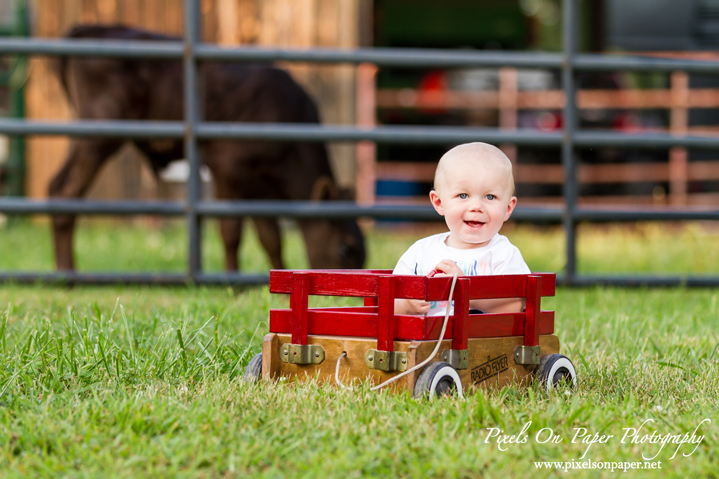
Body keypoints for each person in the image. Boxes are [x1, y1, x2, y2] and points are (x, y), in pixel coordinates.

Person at [393, 142, 530, 316]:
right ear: (439, 202)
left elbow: (514, 305)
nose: (476, 206)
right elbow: (391, 300)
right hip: (423, 340)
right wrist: (406, 305)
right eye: (463, 195)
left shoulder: (503, 254)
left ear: (508, 208)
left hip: (479, 341)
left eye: (490, 196)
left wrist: (464, 290)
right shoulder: (420, 252)